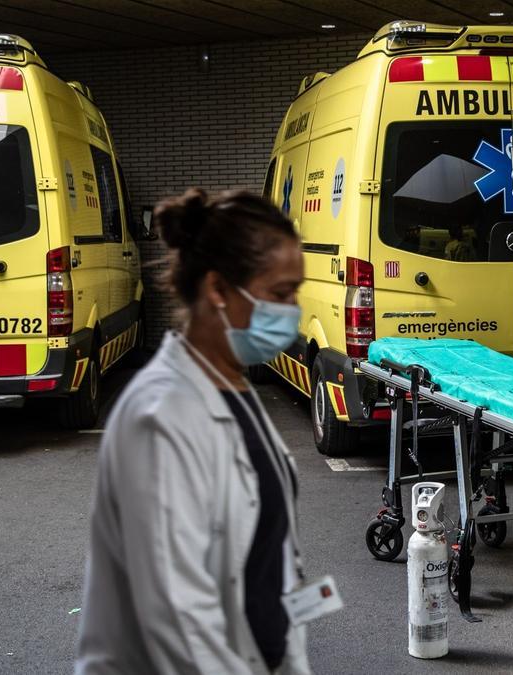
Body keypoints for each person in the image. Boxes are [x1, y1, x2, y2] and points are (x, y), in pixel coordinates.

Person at [75, 189, 312, 674]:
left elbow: (265, 564)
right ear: (218, 289)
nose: (292, 312)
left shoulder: (234, 387)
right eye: (280, 294)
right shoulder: (160, 417)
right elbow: (177, 622)